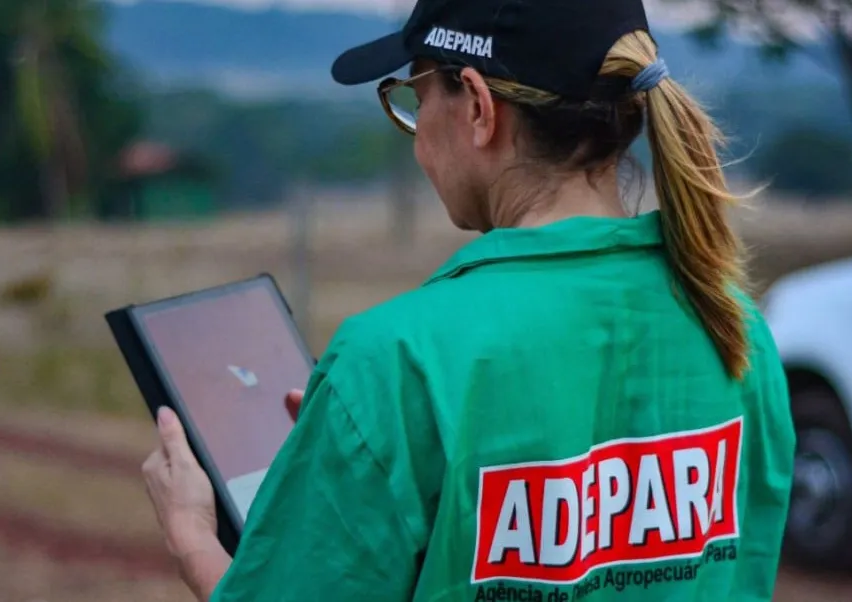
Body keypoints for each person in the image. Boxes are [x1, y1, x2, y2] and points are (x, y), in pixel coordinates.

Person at [141, 0, 796, 599]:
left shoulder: (397, 361)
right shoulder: (736, 330)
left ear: (479, 108)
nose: (418, 130)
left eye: (417, 97)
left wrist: (192, 536)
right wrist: (355, 444)